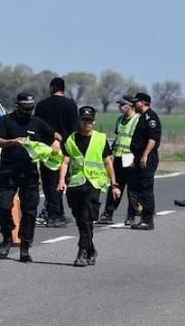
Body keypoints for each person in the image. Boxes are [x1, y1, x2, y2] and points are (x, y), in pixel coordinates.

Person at [0, 93, 61, 262]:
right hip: (8, 171)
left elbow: (57, 135)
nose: (27, 112)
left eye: (30, 109)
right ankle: (7, 236)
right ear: (18, 106)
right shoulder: (6, 121)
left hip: (29, 173)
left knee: (30, 210)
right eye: (25, 109)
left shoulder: (36, 122)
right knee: (3, 205)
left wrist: (56, 142)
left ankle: (25, 244)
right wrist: (14, 142)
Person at [57, 106, 120, 266]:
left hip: (94, 183)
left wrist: (114, 184)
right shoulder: (71, 139)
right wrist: (61, 181)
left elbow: (108, 163)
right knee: (80, 219)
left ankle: (82, 252)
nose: (87, 124)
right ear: (79, 120)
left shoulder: (100, 139)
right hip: (76, 184)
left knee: (86, 217)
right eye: (84, 120)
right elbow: (65, 162)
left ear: (94, 122)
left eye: (90, 121)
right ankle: (91, 249)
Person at [34, 77, 79, 228]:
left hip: (47, 149)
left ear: (52, 87)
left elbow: (37, 127)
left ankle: (55, 213)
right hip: (65, 148)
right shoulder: (70, 105)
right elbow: (74, 128)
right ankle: (56, 213)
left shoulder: (42, 106)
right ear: (63, 88)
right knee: (61, 181)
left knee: (49, 183)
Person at [96, 95, 140, 225]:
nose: (120, 107)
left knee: (132, 188)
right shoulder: (120, 119)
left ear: (130, 106)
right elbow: (118, 137)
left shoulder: (137, 120)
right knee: (115, 185)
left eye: (122, 104)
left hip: (130, 157)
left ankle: (131, 215)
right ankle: (108, 213)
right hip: (118, 157)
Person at [128, 92, 162, 230]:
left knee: (146, 187)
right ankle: (143, 216)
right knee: (140, 186)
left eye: (136, 102)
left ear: (143, 102)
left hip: (147, 157)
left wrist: (144, 155)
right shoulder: (143, 117)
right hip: (139, 157)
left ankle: (147, 220)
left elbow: (152, 139)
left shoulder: (151, 117)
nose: (134, 104)